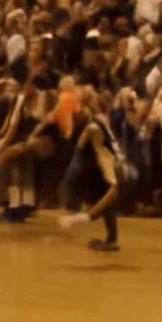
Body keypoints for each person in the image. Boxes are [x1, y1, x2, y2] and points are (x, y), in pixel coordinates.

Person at [59, 87, 128, 252]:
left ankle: (85, 220)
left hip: (111, 165)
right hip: (108, 164)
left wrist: (82, 219)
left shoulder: (95, 129)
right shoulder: (96, 121)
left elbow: (96, 146)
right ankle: (111, 239)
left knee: (109, 194)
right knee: (105, 198)